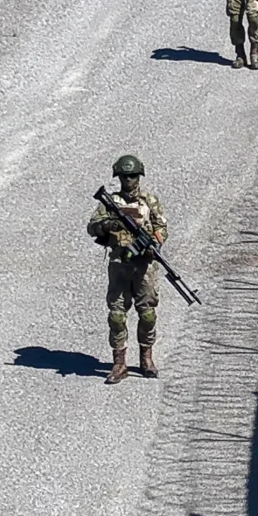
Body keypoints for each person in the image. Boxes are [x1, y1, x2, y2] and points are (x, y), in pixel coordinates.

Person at [86, 154, 165, 384]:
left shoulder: (149, 201)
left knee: (147, 314)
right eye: (124, 176)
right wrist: (108, 224)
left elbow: (161, 226)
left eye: (132, 176)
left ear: (139, 176)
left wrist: (154, 244)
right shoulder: (110, 203)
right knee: (117, 316)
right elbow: (92, 228)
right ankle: (119, 363)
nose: (128, 180)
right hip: (119, 266)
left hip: (144, 268)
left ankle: (146, 358)